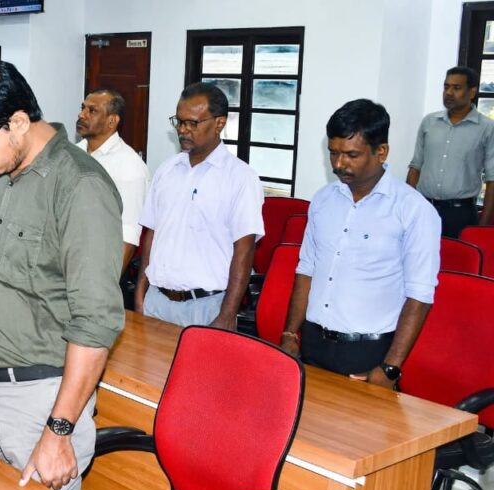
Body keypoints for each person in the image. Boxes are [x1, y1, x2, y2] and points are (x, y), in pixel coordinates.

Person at [0, 53, 125, 490]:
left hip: (42, 401)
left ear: (18, 122)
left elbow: (96, 322)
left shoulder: (80, 186)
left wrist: (59, 431)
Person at [282, 99, 441, 389]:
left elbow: (419, 296)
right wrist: (291, 333)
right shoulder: (323, 200)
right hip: (313, 343)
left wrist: (390, 368)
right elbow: (307, 269)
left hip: (368, 353)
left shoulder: (413, 210)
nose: (338, 164)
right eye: (333, 153)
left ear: (381, 152)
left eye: (351, 155)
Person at [133, 82, 263, 329]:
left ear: (219, 123)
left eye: (192, 123)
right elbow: (152, 233)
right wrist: (140, 294)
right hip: (156, 302)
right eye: (179, 121)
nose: (183, 130)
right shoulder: (166, 170)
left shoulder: (240, 178)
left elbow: (244, 251)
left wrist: (226, 315)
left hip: (207, 307)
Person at [407, 66, 494, 237]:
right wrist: (407, 207)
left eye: (456, 88)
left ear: (472, 92)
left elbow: (492, 180)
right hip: (425, 209)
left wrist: (483, 224)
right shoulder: (429, 122)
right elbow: (415, 167)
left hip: (460, 214)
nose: (448, 93)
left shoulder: (486, 128)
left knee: (457, 255)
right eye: (446, 87)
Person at [76, 88, 149, 273]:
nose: (81, 115)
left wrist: (109, 284)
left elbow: (129, 235)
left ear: (112, 121)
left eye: (92, 110)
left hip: (99, 268)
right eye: (83, 108)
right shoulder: (72, 153)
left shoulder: (129, 166)